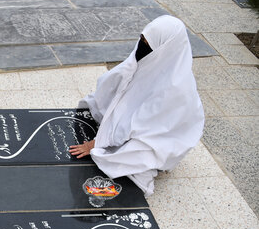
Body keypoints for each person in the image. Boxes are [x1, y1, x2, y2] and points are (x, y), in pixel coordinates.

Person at [69, 15, 204, 196]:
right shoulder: (151, 58)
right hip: (138, 122)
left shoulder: (174, 88)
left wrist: (96, 143)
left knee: (130, 157)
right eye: (142, 39)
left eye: (148, 44)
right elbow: (114, 83)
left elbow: (140, 124)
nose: (142, 46)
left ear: (163, 49)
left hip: (161, 137)